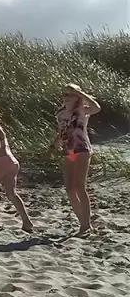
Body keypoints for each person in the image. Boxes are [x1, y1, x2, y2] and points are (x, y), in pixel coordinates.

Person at [55, 83, 101, 236]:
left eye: (70, 94)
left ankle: (86, 226)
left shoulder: (82, 110)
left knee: (80, 186)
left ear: (77, 96)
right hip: (68, 151)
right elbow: (62, 130)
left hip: (82, 149)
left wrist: (81, 94)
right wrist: (54, 143)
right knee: (69, 188)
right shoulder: (60, 113)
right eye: (65, 94)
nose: (66, 97)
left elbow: (97, 108)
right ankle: (83, 222)